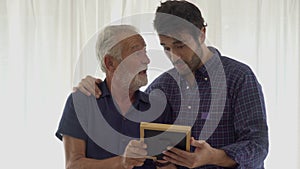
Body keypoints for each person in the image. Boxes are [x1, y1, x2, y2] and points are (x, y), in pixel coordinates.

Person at [74, 1, 269, 169]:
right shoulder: (162, 87)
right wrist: (96, 84)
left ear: (201, 34)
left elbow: (257, 146)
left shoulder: (239, 77)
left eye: (180, 45)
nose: (174, 56)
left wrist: (214, 156)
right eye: (166, 47)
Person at [56, 25, 177, 169]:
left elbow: (168, 166)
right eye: (136, 53)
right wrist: (122, 162)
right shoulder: (81, 102)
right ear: (110, 63)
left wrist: (167, 163)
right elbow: (73, 165)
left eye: (144, 51)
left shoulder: (158, 108)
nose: (146, 60)